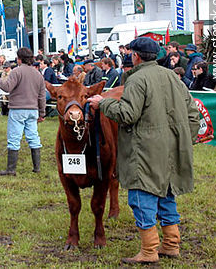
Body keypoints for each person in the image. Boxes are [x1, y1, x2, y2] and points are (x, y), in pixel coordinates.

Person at [88, 37, 200, 264]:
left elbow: (128, 114)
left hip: (145, 149)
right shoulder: (172, 76)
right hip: (170, 147)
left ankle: (149, 251)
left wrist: (103, 103)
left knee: (142, 196)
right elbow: (192, 112)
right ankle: (171, 244)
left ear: (136, 56)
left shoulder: (137, 79)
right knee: (167, 194)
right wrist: (185, 139)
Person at [0, 47, 46, 176]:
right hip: (33, 110)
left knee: (14, 138)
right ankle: (37, 168)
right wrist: (42, 113)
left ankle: (11, 169)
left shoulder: (16, 72)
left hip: (18, 109)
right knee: (33, 137)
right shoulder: (38, 74)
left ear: (19, 59)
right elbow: (41, 96)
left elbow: (6, 87)